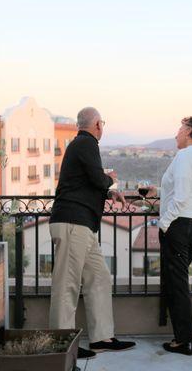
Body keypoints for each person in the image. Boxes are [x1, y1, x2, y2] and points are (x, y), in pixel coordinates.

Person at [49, 107, 136, 359]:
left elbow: (86, 183)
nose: (103, 127)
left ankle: (101, 338)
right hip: (73, 223)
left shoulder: (81, 146)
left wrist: (108, 192)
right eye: (103, 123)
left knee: (99, 277)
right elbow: (98, 180)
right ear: (97, 124)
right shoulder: (86, 144)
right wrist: (110, 179)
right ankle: (63, 348)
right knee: (66, 286)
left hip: (82, 225)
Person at [145, 116, 192, 355]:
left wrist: (164, 222)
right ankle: (190, 336)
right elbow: (186, 189)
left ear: (189, 131)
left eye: (180, 129)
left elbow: (181, 196)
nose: (176, 134)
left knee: (177, 284)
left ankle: (184, 341)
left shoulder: (184, 156)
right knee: (178, 282)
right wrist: (160, 191)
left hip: (179, 226)